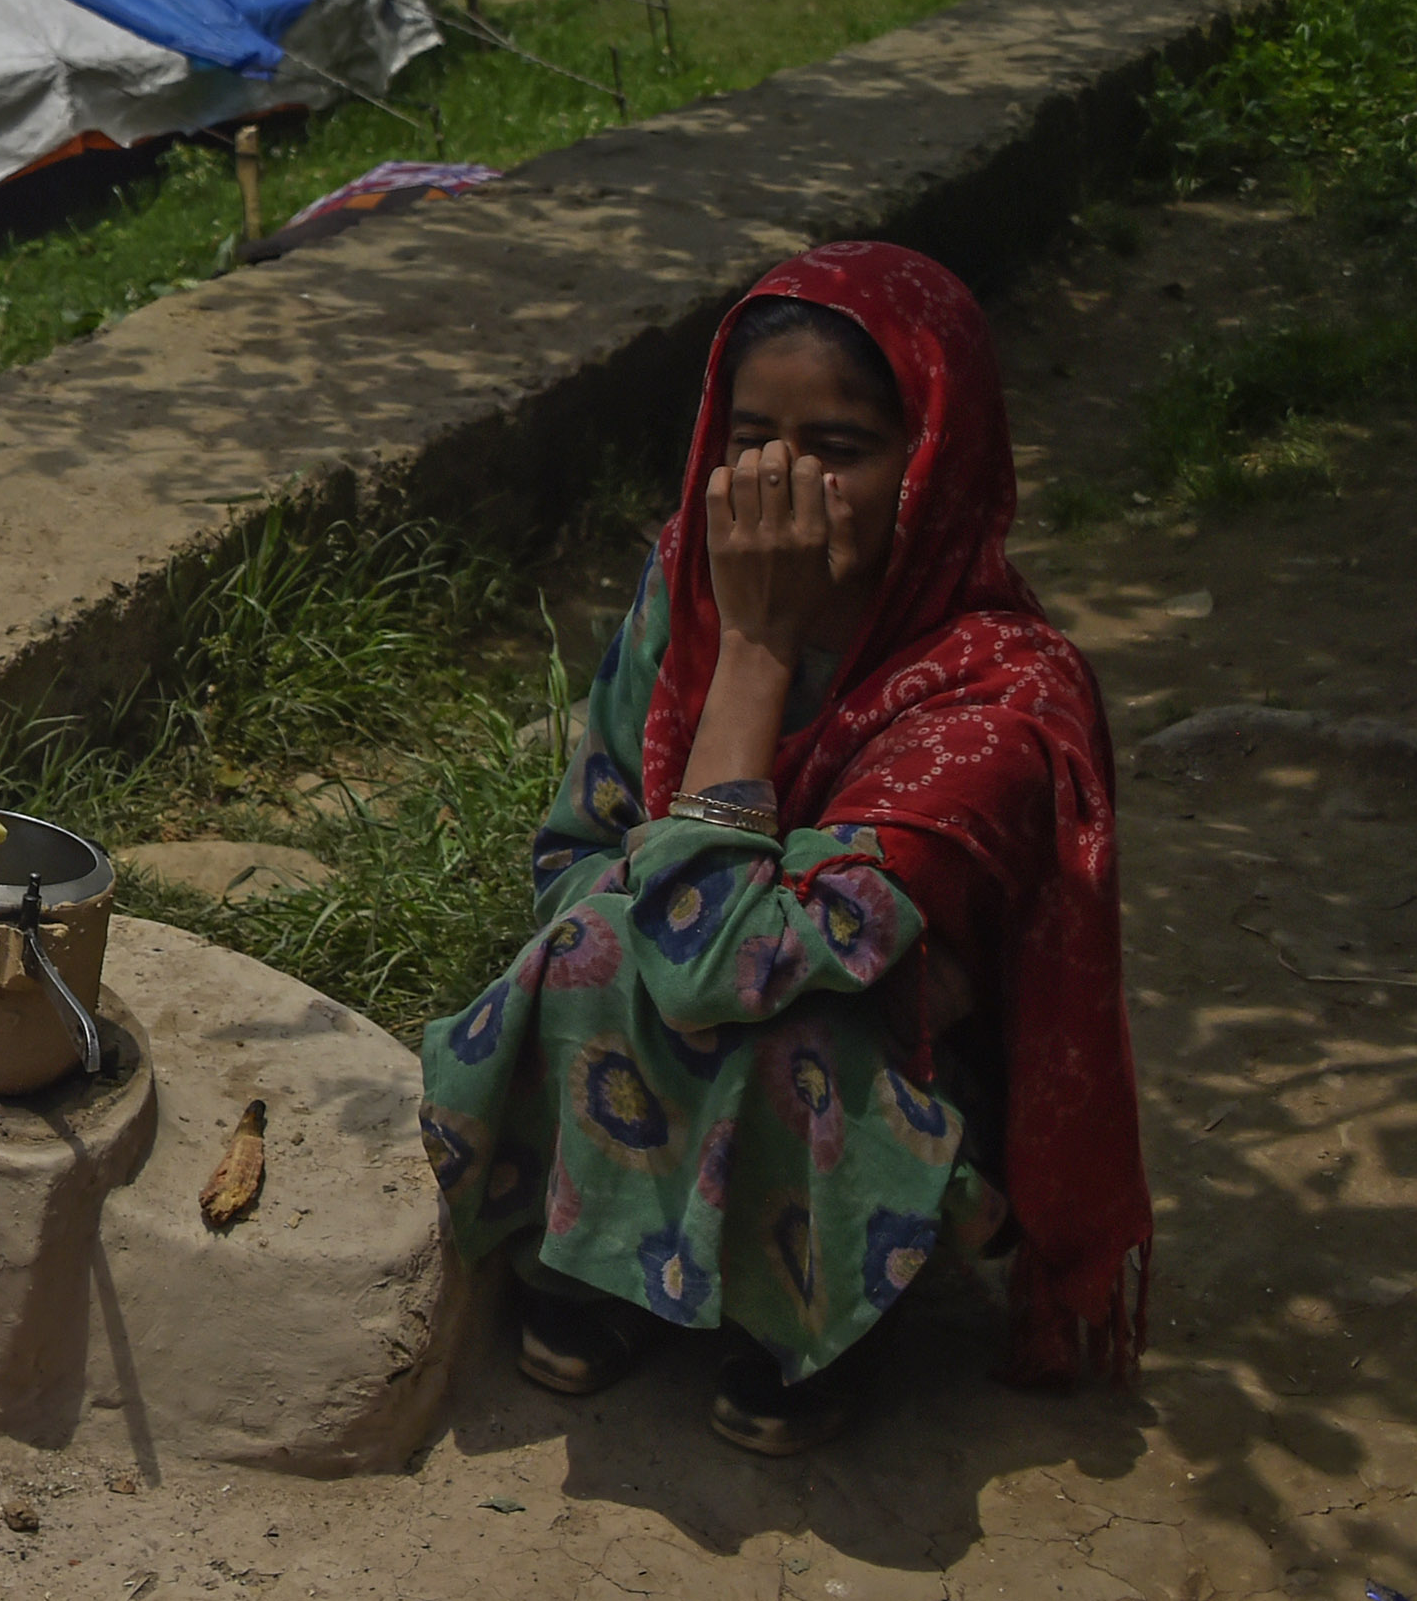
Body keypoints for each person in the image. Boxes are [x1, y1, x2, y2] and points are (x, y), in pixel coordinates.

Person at [418, 240, 1147, 1455]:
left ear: (935, 462)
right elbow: (574, 855)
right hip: (717, 985)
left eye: (841, 450)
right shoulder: (687, 584)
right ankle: (617, 1251)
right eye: (751, 438)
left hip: (889, 1076)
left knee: (790, 1012)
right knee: (602, 938)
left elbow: (728, 966)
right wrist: (687, 888)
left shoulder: (1000, 700)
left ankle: (805, 1315)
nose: (782, 485)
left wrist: (754, 653)